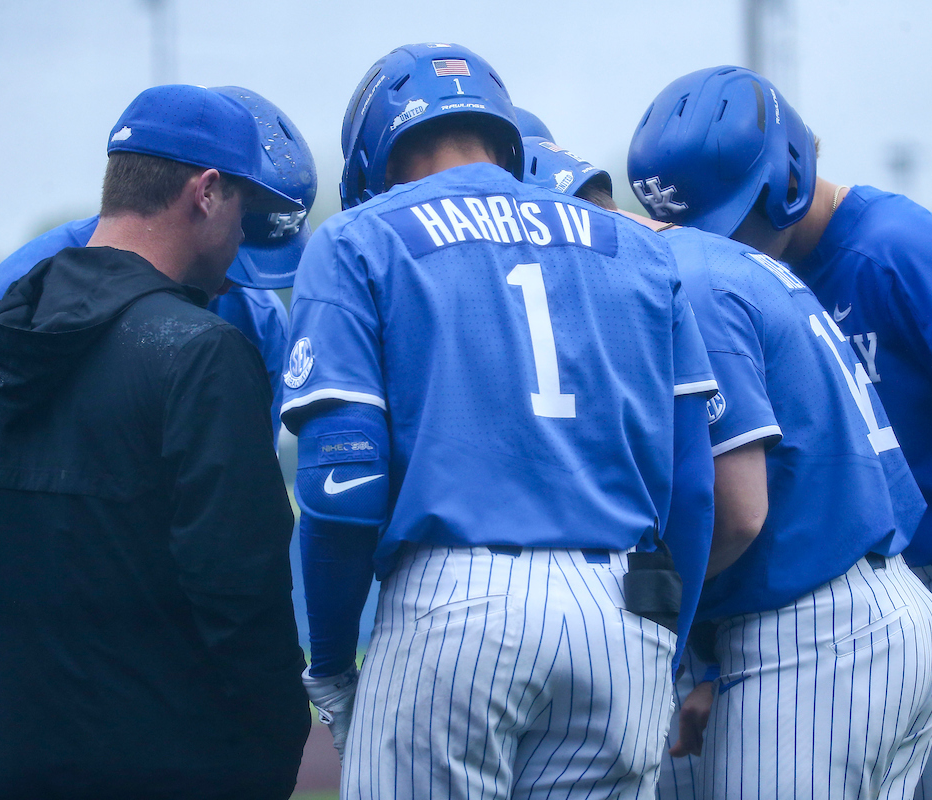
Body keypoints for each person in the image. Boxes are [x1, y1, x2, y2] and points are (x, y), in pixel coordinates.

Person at [628, 65, 932, 800]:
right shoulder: (754, 278)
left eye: (728, 219)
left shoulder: (901, 249)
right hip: (883, 586)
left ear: (786, 181)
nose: (717, 243)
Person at [282, 43, 718, 799]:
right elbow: (696, 486)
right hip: (620, 603)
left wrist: (328, 660)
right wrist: (664, 646)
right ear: (505, 135)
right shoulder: (634, 247)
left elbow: (341, 486)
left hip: (455, 602)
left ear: (374, 156)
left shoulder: (360, 236)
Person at [0, 85, 316, 800]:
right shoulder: (203, 352)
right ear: (208, 192)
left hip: (21, 752)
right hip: (169, 757)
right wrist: (275, 738)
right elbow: (240, 588)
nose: (242, 241)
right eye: (245, 214)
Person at [525, 130, 932, 798]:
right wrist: (716, 667)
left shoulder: (684, 281)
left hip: (818, 638)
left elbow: (741, 513)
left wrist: (648, 609)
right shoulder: (712, 259)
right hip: (862, 612)